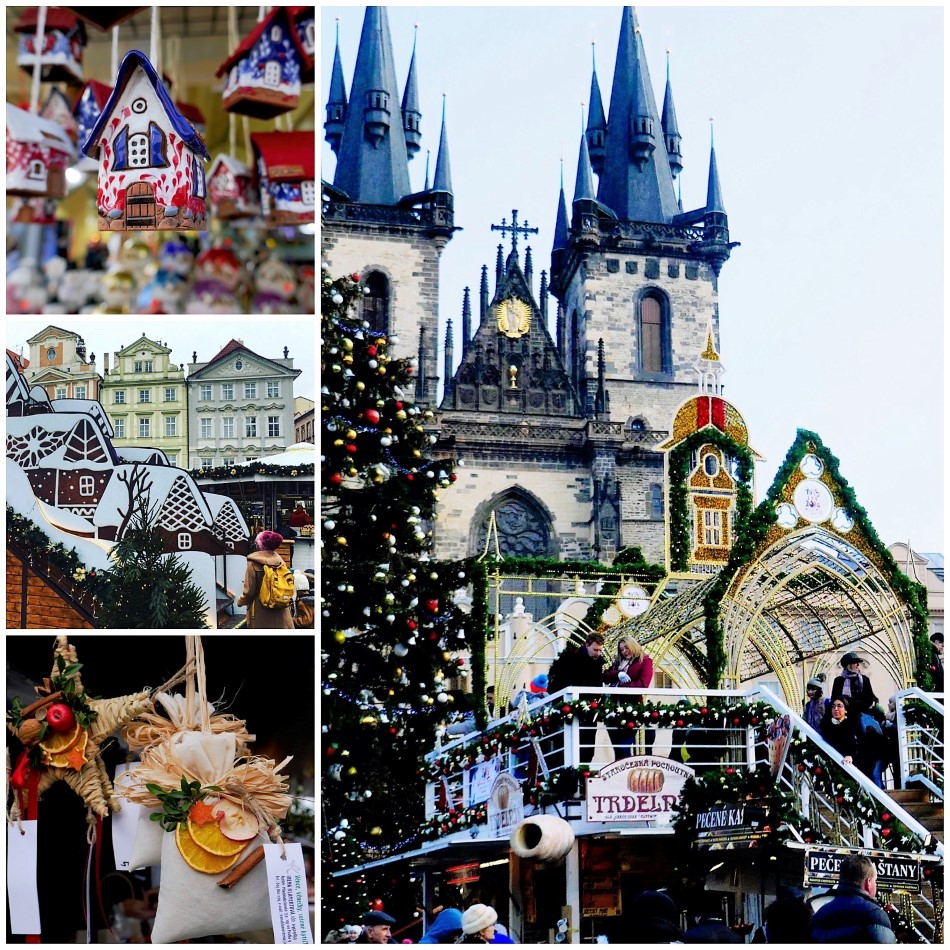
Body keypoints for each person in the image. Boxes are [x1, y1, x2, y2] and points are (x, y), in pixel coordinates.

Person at [810, 854, 896, 943]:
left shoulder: (819, 915)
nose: (876, 885)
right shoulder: (874, 914)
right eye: (875, 881)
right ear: (869, 883)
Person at [548, 632, 606, 764]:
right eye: (595, 649)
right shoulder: (570, 658)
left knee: (587, 747)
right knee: (566, 744)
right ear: (587, 645)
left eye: (600, 650)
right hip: (571, 707)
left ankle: (583, 773)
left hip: (590, 710)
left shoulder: (598, 662)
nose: (598, 653)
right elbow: (558, 682)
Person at [604, 637, 655, 758]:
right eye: (621, 649)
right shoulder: (618, 662)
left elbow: (643, 684)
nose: (624, 651)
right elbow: (606, 676)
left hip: (631, 709)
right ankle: (621, 774)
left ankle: (629, 772)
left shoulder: (645, 660)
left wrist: (621, 685)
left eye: (626, 647)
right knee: (618, 749)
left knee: (623, 746)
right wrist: (618, 673)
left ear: (633, 645)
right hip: (612, 708)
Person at [237, 530, 293, 629]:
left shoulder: (253, 563)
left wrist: (240, 601)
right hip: (281, 610)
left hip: (261, 612)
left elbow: (249, 591)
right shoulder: (280, 561)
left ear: (259, 544)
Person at [819, 697, 859, 766]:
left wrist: (850, 755)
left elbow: (854, 745)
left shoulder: (851, 726)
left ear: (845, 710)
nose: (836, 709)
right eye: (833, 706)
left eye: (839, 706)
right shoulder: (825, 725)